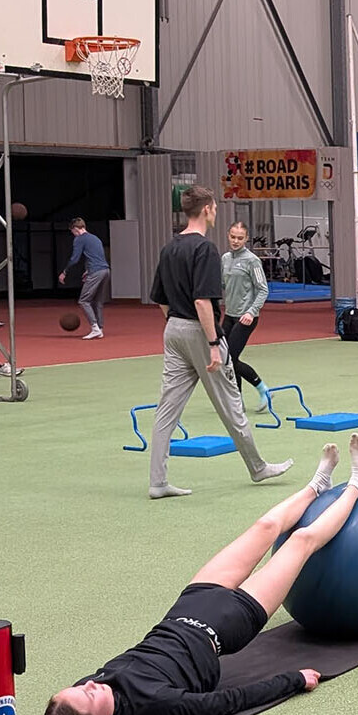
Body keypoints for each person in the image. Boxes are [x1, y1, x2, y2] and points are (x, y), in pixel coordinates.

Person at [40, 435, 358, 715]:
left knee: (264, 527)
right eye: (87, 695)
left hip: (190, 604)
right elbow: (229, 701)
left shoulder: (95, 684)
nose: (90, 684)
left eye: (79, 686)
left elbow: (79, 698)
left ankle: (316, 487)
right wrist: (294, 680)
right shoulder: (155, 708)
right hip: (227, 626)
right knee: (301, 543)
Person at [147, 187, 292, 499]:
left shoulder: (169, 248)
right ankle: (257, 467)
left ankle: (157, 482)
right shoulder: (207, 250)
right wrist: (213, 343)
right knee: (231, 404)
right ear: (208, 209)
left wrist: (175, 324)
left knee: (166, 410)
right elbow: (202, 301)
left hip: (172, 329)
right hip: (200, 331)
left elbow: (159, 298)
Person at [220, 219, 271, 401]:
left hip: (246, 317)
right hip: (229, 315)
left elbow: (263, 289)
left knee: (231, 359)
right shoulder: (225, 259)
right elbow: (222, 284)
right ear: (228, 236)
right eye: (233, 237)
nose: (235, 241)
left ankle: (261, 388)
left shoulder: (252, 261)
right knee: (225, 359)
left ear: (246, 239)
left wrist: (251, 311)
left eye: (240, 238)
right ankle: (237, 401)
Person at [58, 217, 111, 340]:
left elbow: (75, 258)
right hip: (105, 270)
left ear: (76, 229)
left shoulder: (79, 239)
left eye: (72, 232)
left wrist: (65, 272)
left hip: (96, 272)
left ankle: (94, 328)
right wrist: (88, 270)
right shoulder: (95, 238)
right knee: (97, 301)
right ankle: (100, 328)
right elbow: (96, 256)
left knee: (84, 300)